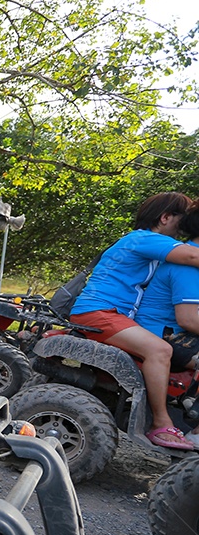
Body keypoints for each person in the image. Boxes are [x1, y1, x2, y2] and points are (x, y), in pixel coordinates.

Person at [70, 192, 199, 450]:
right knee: (160, 349)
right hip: (100, 311)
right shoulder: (143, 239)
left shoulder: (148, 247)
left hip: (110, 313)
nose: (185, 226)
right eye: (182, 219)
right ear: (165, 218)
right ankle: (160, 424)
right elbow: (193, 257)